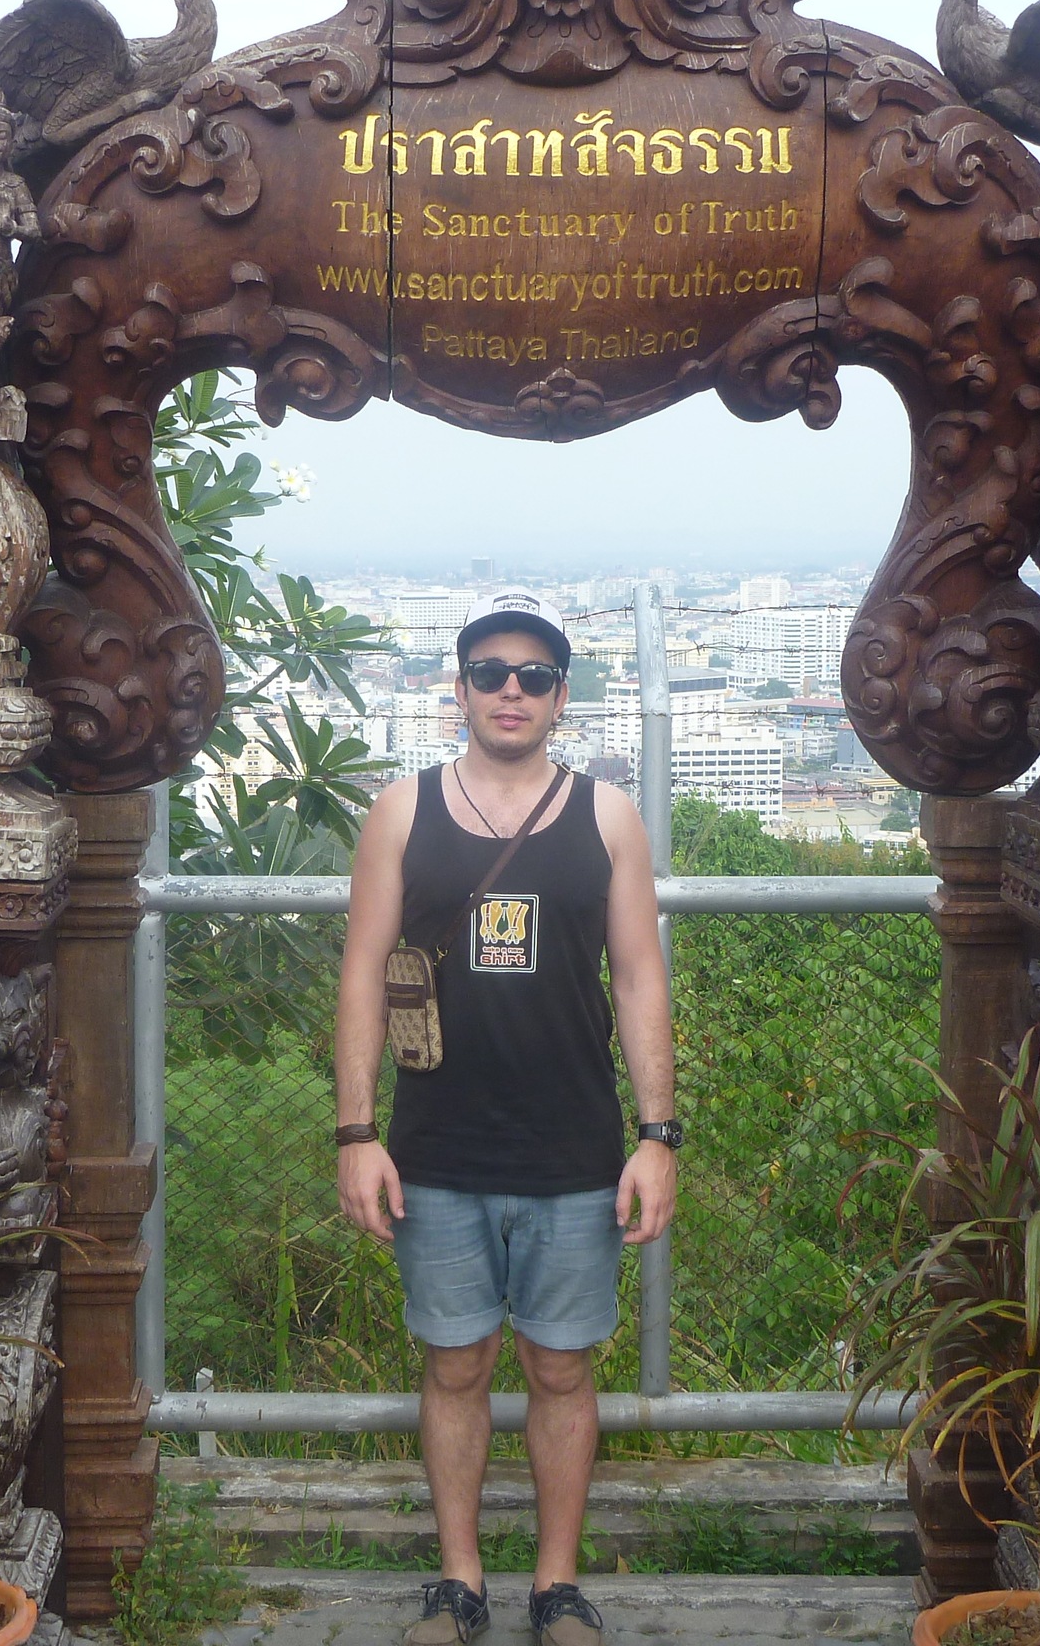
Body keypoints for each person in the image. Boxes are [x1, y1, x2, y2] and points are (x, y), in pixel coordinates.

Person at [335, 590, 679, 1646]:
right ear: (461, 689)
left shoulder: (606, 817)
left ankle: (555, 1584)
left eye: (534, 675)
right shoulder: (403, 812)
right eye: (491, 673)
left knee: (561, 1368)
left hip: (574, 1147)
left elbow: (639, 979)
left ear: (561, 697)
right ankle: (460, 1579)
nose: (511, 691)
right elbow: (360, 975)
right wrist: (356, 1134)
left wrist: (657, 1136)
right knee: (455, 1364)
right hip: (435, 1146)